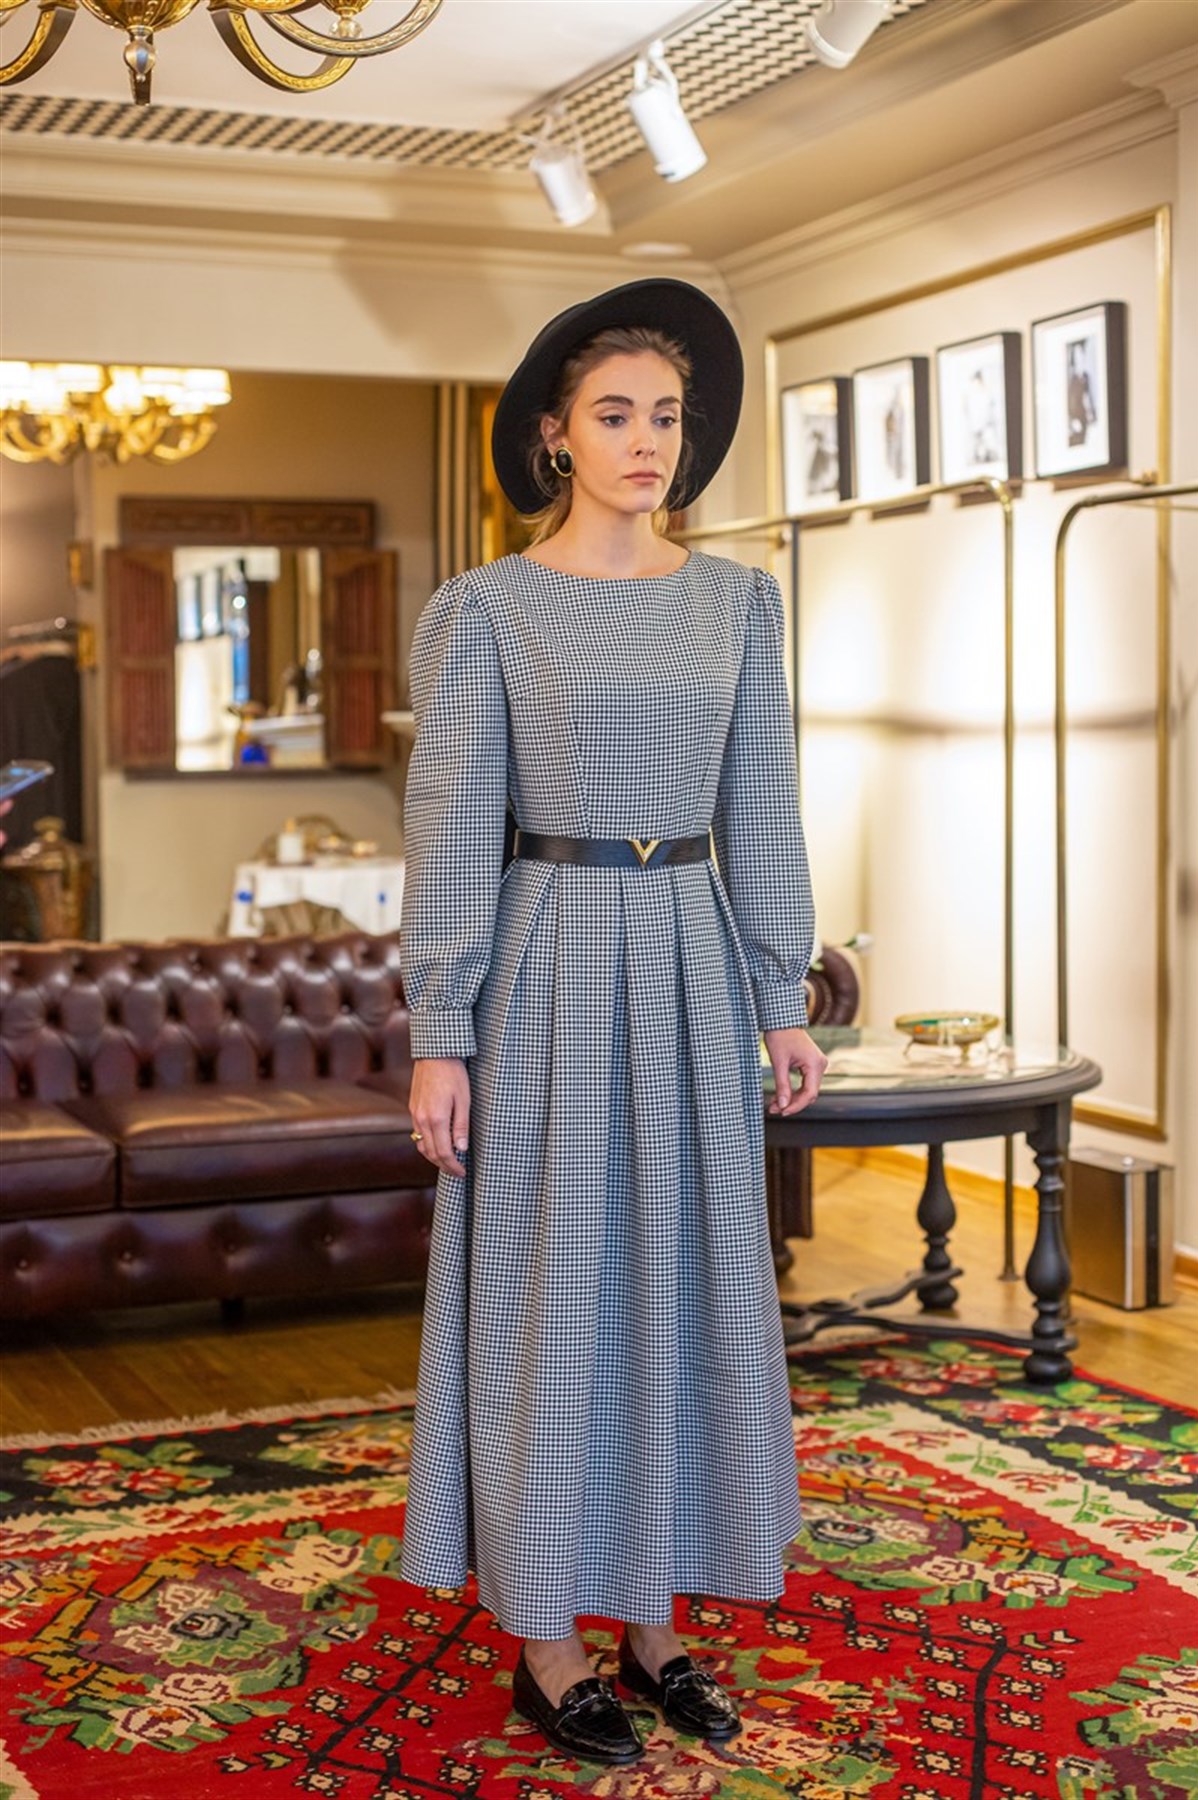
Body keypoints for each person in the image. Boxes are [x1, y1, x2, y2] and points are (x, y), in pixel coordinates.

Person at [398, 278, 827, 1767]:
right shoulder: (486, 611)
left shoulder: (740, 603)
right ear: (555, 438)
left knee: (692, 1288)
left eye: (669, 417)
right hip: (549, 967)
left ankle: (654, 1625)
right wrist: (438, 1031)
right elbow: (453, 829)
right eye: (616, 415)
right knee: (549, 1302)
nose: (650, 442)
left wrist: (782, 996)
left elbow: (761, 804)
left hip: (696, 962)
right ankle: (548, 1643)